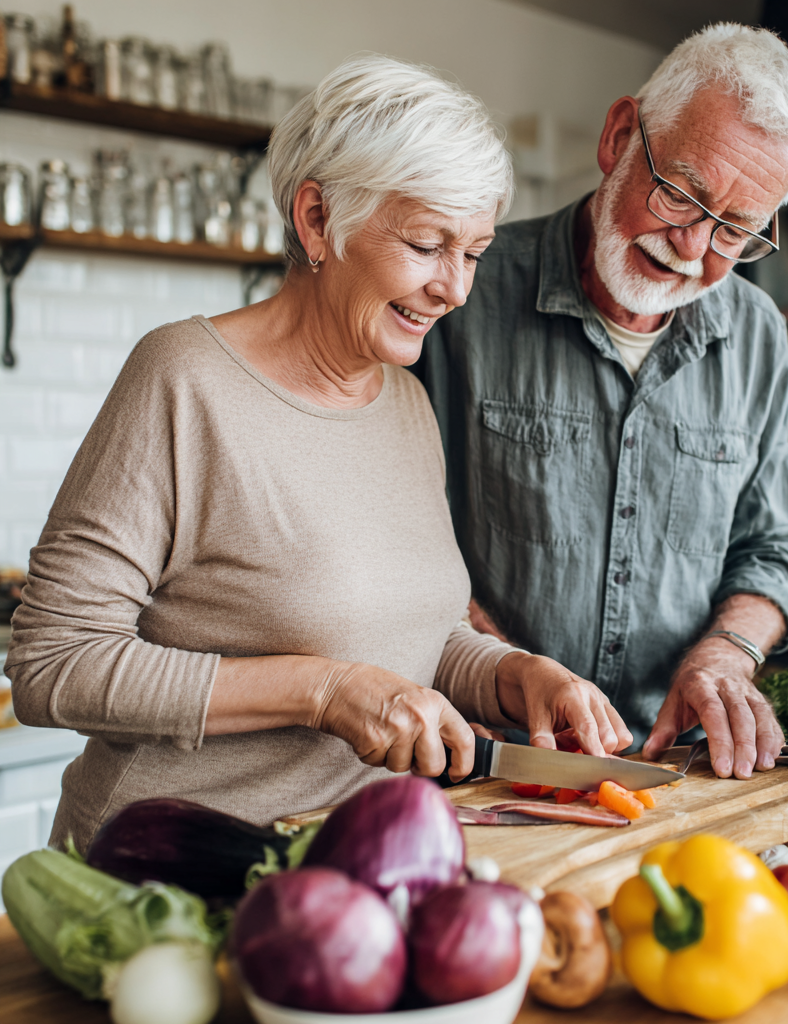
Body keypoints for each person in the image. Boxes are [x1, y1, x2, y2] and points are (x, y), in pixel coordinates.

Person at [5, 56, 631, 850]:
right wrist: (320, 691)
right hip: (167, 875)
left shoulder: (404, 402)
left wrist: (518, 676)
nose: (456, 289)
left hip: (350, 867)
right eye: (428, 243)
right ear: (316, 221)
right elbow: (52, 663)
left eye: (472, 252)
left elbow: (416, 638)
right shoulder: (184, 379)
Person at [416, 24, 788, 780]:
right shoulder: (461, 295)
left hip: (680, 773)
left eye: (734, 231)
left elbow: (772, 551)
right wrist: (502, 674)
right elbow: (398, 540)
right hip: (487, 757)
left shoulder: (758, 333)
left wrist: (726, 654)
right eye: (680, 196)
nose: (694, 249)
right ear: (620, 137)